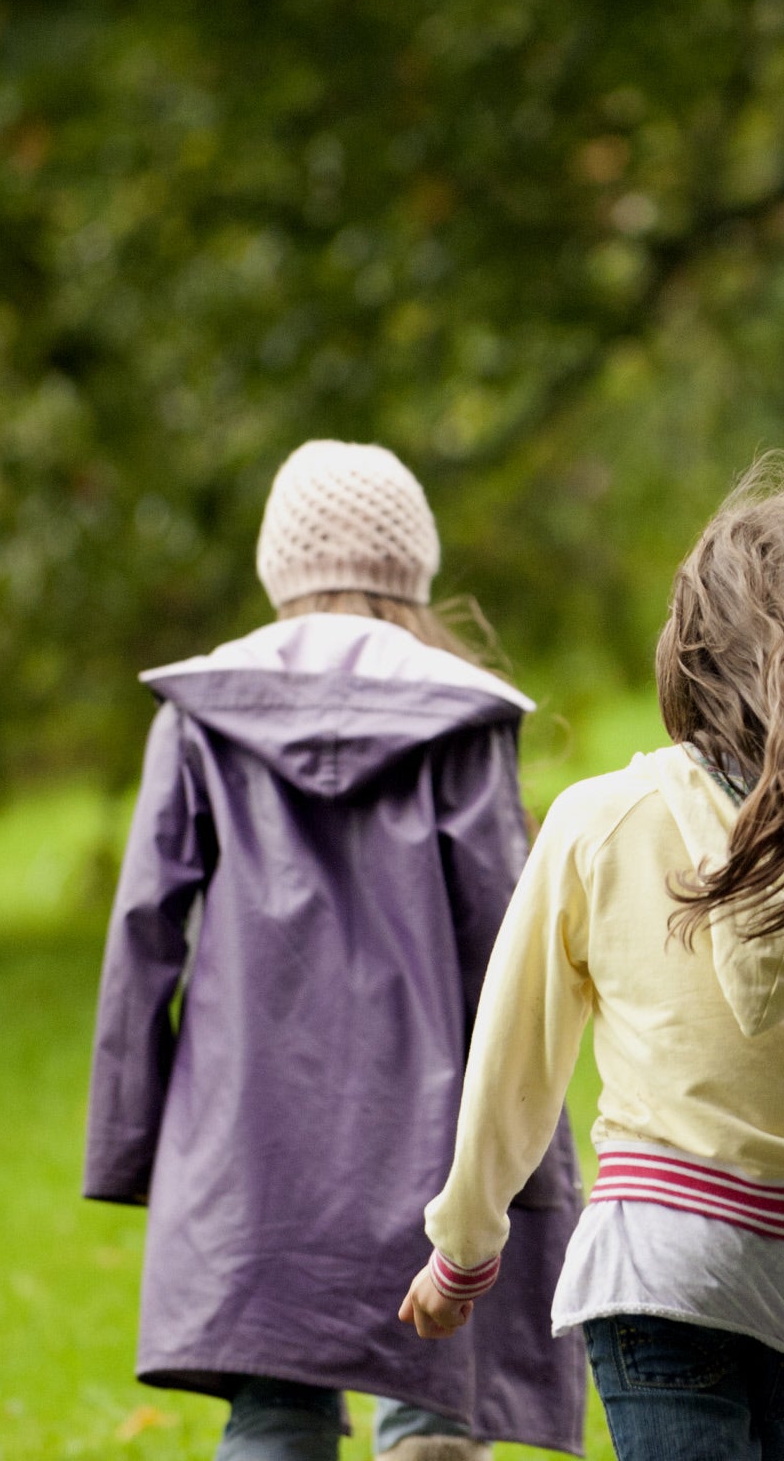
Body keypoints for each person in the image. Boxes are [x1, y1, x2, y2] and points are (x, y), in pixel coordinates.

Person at [398, 467, 784, 1460]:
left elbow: (515, 1059)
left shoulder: (597, 822)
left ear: (683, 650)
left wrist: (464, 1247)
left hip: (664, 1259)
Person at [84, 440, 586, 1461]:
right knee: (435, 1401)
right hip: (427, 1132)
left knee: (274, 1415)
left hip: (247, 1145)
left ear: (279, 568)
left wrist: (131, 1139)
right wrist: (526, 1147)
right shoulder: (461, 712)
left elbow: (145, 931)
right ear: (414, 567)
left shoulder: (200, 713)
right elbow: (508, 946)